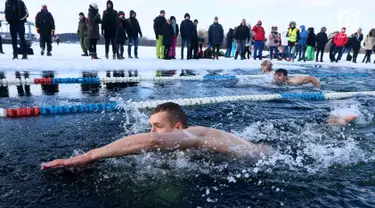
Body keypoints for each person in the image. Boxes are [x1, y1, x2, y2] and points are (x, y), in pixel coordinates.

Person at [41, 102, 270, 170]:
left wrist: (89, 156)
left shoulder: (190, 134)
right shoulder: (196, 138)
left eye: (158, 125)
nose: (152, 132)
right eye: (150, 126)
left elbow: (153, 141)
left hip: (264, 159)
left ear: (178, 126)